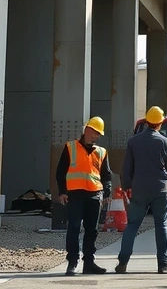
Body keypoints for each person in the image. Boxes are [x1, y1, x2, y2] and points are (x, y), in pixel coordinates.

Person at [115, 106, 167, 275]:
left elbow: (126, 168)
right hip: (160, 189)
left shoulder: (133, 141)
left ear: (146, 120)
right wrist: (165, 178)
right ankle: (164, 264)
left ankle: (123, 262)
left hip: (139, 189)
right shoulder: (165, 142)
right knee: (161, 225)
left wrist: (128, 186)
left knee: (133, 225)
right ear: (160, 122)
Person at [55, 116, 113, 275]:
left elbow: (106, 175)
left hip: (94, 195)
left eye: (98, 134)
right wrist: (62, 191)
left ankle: (89, 262)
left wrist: (107, 192)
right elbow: (61, 172)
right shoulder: (70, 147)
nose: (97, 136)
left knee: (92, 230)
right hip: (74, 195)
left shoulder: (101, 152)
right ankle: (72, 262)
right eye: (95, 133)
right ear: (87, 130)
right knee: (73, 228)